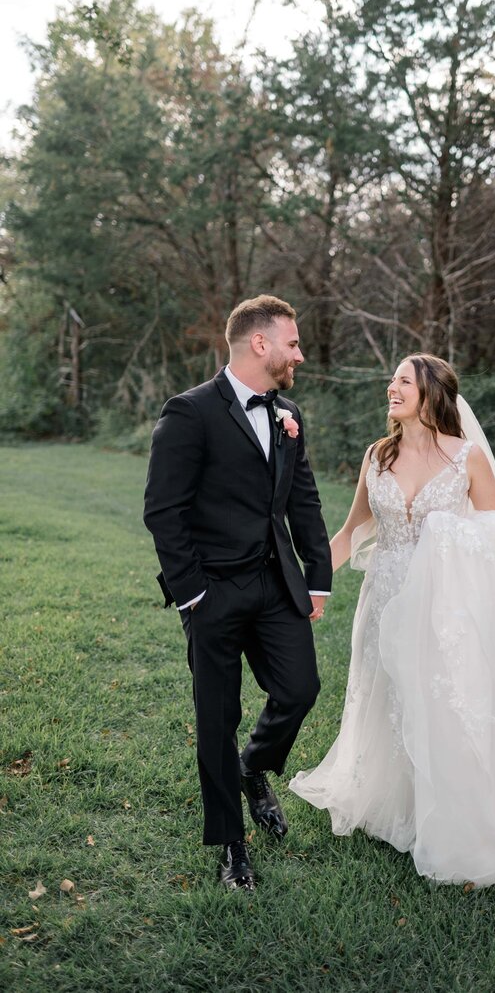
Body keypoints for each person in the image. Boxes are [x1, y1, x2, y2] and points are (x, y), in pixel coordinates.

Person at [290, 354, 495, 886]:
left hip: (442, 605)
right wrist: (302, 585)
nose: (391, 387)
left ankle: (449, 815)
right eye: (392, 379)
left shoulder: (467, 458)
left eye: (402, 380)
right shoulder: (377, 456)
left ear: (431, 393)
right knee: (384, 698)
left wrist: (447, 539)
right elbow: (351, 531)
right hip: (383, 599)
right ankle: (395, 806)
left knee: (438, 704)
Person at [143, 295, 332, 892]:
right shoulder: (190, 412)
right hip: (213, 592)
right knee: (216, 718)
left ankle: (254, 769)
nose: (299, 354)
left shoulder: (288, 413)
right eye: (293, 343)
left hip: (277, 586)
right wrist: (193, 593)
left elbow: (302, 500)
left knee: (301, 688)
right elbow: (163, 510)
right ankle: (231, 845)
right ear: (260, 344)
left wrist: (317, 575)